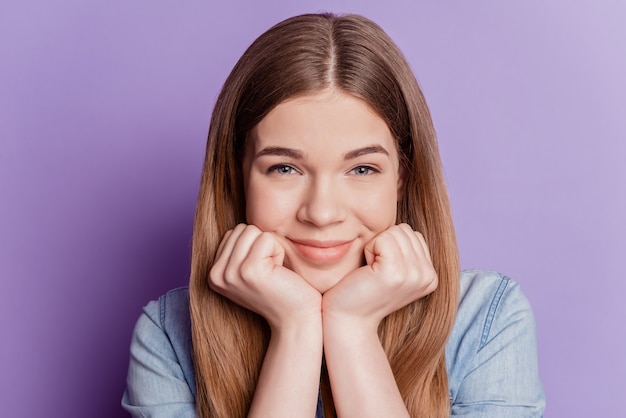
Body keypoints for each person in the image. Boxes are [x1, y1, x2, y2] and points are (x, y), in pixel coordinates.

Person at [122, 12, 545, 418]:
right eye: (284, 168)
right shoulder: (168, 336)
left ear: (402, 176)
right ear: (238, 176)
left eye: (362, 169)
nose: (322, 213)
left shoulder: (486, 319)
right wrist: (295, 329)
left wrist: (352, 328)